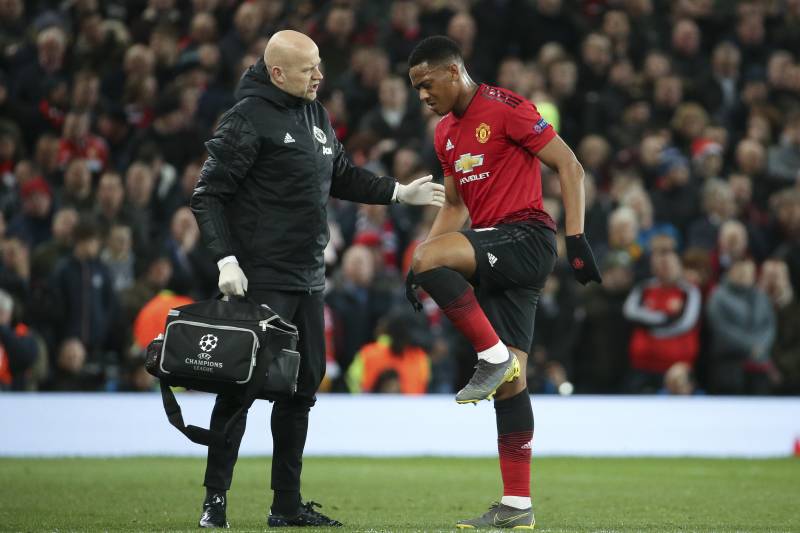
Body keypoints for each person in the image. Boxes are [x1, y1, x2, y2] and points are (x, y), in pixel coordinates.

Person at [190, 30, 444, 529]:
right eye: (309, 69)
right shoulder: (246, 119)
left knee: (303, 389)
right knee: (238, 388)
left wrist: (397, 193)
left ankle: (285, 505)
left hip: (309, 276)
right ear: (278, 73)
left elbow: (342, 174)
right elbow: (208, 194)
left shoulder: (315, 114)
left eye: (320, 66)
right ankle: (214, 500)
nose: (320, 76)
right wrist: (225, 260)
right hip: (259, 277)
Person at [405, 36, 601, 529]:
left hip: (527, 236)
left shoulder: (507, 107)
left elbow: (569, 165)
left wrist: (575, 238)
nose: (422, 96)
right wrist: (422, 263)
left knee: (430, 261)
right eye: (416, 89)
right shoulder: (444, 133)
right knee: (512, 383)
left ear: (453, 72)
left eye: (427, 84)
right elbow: (453, 206)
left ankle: (487, 356)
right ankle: (517, 505)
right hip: (494, 249)